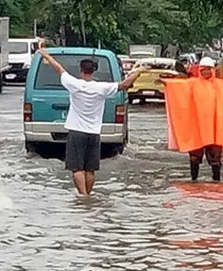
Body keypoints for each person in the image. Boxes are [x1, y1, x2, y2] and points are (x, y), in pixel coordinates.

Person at [38, 47, 145, 196]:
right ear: (93, 71)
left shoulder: (74, 84)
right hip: (94, 133)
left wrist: (47, 56)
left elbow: (59, 69)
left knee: (76, 169)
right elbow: (125, 85)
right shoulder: (101, 88)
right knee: (90, 169)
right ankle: (88, 194)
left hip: (76, 132)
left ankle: (83, 196)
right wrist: (138, 72)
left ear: (81, 70)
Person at [188, 57, 223, 182]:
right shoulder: (193, 84)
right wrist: (165, 83)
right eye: (203, 70)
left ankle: (216, 181)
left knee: (215, 157)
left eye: (208, 70)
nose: (206, 72)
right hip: (197, 128)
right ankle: (194, 180)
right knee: (194, 157)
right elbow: (179, 88)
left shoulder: (219, 85)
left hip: (214, 129)